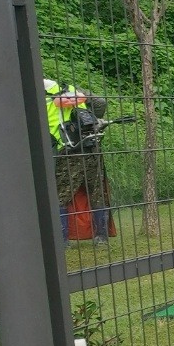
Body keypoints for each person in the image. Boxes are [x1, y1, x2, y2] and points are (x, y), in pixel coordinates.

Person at [45, 78, 113, 244]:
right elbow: (100, 102)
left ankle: (62, 240)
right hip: (91, 147)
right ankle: (101, 237)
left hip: (68, 151)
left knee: (61, 196)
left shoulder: (41, 97)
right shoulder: (71, 89)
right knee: (96, 193)